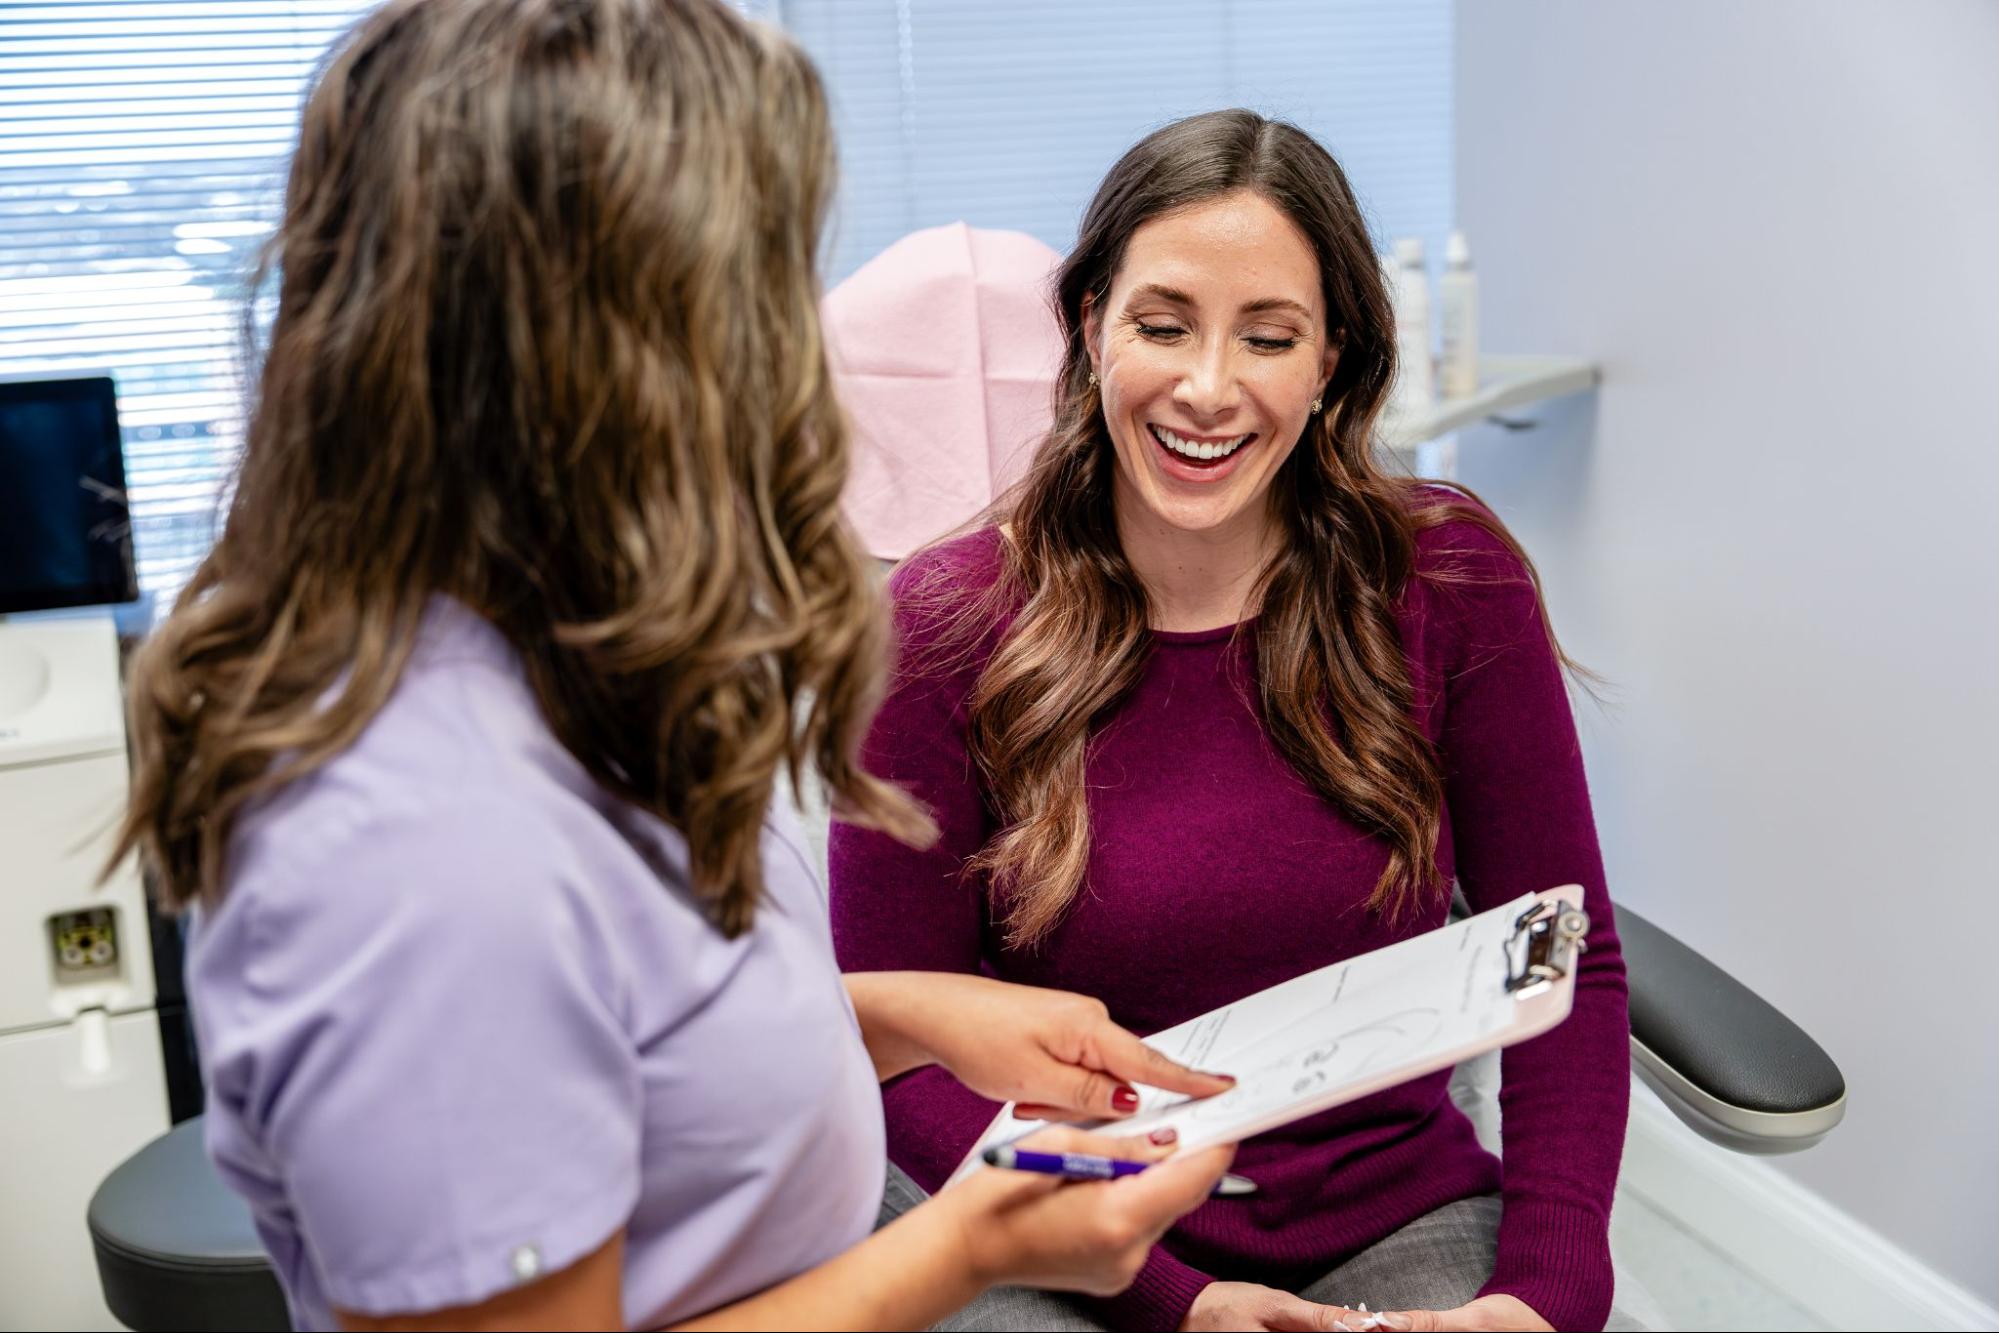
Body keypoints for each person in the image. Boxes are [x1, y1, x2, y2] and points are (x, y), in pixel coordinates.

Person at [108, 2, 1240, 1329]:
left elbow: (615, 1050)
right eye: (762, 285)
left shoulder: (558, 648)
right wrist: (968, 1248)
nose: (800, 351)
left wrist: (900, 1015)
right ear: (608, 346)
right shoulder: (426, 855)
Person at [832, 109, 1631, 1333]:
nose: (1208, 388)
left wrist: (1543, 1293)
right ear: (1089, 324)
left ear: (1332, 363)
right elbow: (898, 1048)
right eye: (1162, 325)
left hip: (1390, 1215)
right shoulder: (945, 625)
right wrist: (1177, 1300)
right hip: (1053, 1220)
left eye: (1270, 337)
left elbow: (1569, 961)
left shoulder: (1448, 580)